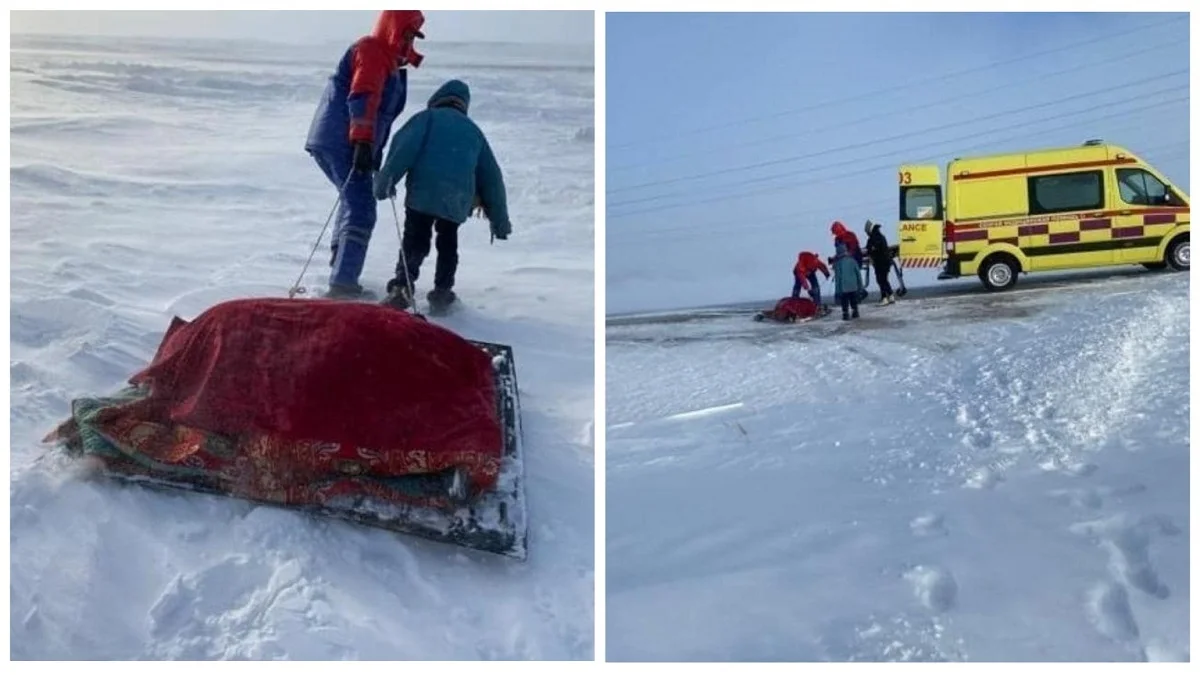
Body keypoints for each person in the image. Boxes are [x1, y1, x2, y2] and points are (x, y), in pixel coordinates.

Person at [304, 10, 427, 299]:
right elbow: (363, 95)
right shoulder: (372, 51)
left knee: (353, 201)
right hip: (341, 139)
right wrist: (361, 141)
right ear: (392, 28)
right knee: (361, 207)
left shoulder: (390, 62)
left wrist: (371, 148)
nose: (409, 41)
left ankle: (341, 273)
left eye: (413, 36)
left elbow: (381, 113)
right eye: (407, 33)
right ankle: (343, 284)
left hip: (347, 140)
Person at [373, 79, 512, 310]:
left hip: (422, 194)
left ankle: (402, 286)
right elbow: (492, 179)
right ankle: (442, 292)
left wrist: (384, 183)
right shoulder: (473, 131)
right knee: (448, 243)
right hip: (455, 200)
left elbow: (402, 150)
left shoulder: (425, 119)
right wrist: (500, 222)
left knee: (414, 239)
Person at [864, 220, 897, 305]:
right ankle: (890, 296)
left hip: (880, 262)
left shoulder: (874, 238)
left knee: (880, 280)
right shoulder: (880, 236)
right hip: (886, 261)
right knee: (884, 280)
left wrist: (869, 250)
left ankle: (884, 298)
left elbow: (872, 249)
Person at [832, 241, 864, 320]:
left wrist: (837, 291)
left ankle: (845, 314)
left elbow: (838, 278)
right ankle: (855, 311)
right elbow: (858, 274)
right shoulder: (852, 260)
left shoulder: (838, 264)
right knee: (853, 300)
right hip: (853, 286)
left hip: (844, 287)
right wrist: (860, 286)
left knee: (844, 301)